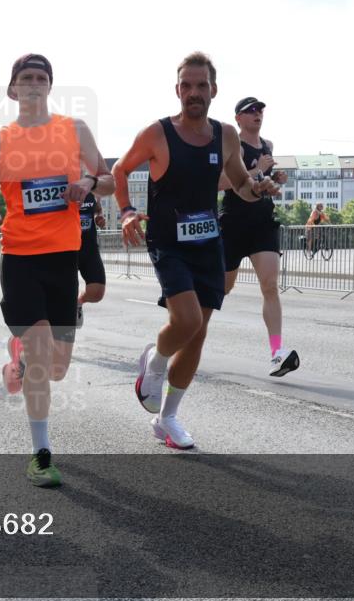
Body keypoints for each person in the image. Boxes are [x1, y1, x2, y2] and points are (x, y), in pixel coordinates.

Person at [113, 52, 278, 450]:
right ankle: (154, 361)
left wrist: (258, 188)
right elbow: (120, 170)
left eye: (201, 85)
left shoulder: (225, 135)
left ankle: (167, 418)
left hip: (209, 243)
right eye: (186, 85)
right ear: (177, 90)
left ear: (213, 90)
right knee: (185, 321)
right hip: (168, 243)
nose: (193, 92)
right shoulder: (157, 133)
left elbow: (239, 183)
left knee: (198, 334)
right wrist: (127, 212)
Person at [0, 54, 114, 487]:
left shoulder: (73, 130)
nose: (34, 84)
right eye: (25, 78)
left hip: (63, 258)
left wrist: (88, 183)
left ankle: (17, 354)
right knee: (39, 358)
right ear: (13, 90)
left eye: (41, 78)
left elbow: (108, 178)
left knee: (56, 369)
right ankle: (41, 454)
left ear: (49, 87)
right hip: (18, 256)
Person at [217, 96, 299, 378]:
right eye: (250, 111)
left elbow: (263, 181)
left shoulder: (268, 146)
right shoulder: (232, 145)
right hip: (233, 223)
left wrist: (276, 179)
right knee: (222, 289)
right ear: (238, 118)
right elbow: (220, 183)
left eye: (260, 110)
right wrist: (258, 170)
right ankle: (185, 331)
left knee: (270, 286)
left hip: (263, 221)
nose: (257, 114)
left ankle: (277, 352)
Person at [76, 191, 107, 328]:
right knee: (62, 297)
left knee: (97, 293)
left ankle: (78, 302)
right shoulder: (62, 184)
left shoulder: (92, 189)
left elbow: (98, 208)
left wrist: (99, 217)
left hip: (89, 248)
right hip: (66, 249)